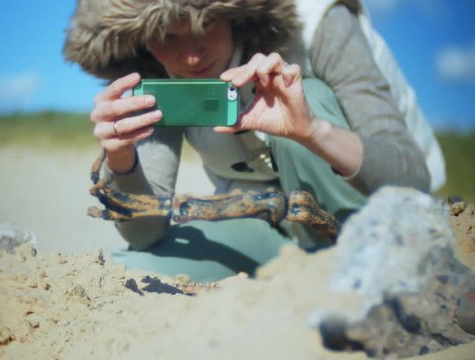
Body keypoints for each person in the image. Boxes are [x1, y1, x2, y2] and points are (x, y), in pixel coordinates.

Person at [63, 0, 445, 282]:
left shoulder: (320, 26)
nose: (192, 56)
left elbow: (412, 178)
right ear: (143, 39)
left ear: (234, 13)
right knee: (135, 275)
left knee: (307, 94)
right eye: (166, 37)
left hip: (373, 214)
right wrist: (121, 160)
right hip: (265, 220)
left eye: (206, 23)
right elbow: (145, 233)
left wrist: (310, 131)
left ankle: (367, 274)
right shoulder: (154, 78)